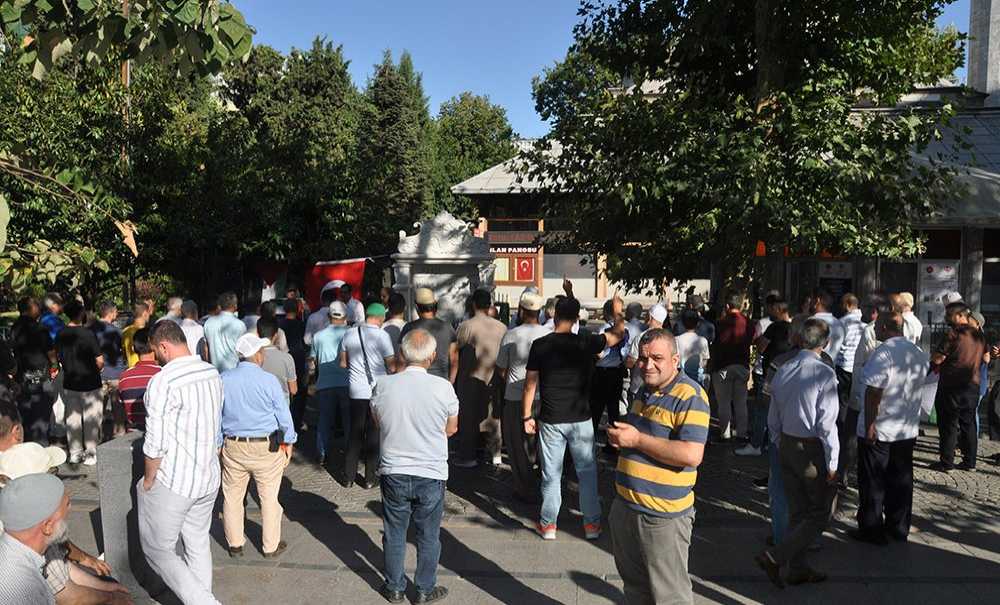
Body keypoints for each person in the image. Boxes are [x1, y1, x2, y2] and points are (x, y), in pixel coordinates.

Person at [607, 329, 709, 605]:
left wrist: (637, 439)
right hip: (627, 509)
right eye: (642, 358)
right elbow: (647, 440)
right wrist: (623, 441)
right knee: (636, 589)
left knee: (670, 596)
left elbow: (691, 454)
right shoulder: (644, 389)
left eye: (657, 358)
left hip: (662, 517)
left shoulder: (691, 395)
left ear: (675, 360)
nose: (647, 364)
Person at [522, 296, 626, 540]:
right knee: (587, 473)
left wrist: (526, 415)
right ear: (577, 318)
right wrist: (618, 313)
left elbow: (530, 385)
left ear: (554, 316)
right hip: (581, 418)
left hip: (551, 417)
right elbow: (618, 334)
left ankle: (548, 525)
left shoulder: (540, 345)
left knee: (551, 473)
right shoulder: (586, 342)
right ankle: (591, 525)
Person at [370, 329, 459, 604]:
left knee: (395, 531)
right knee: (429, 534)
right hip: (430, 471)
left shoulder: (383, 385)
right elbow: (452, 428)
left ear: (401, 354)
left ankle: (395, 587)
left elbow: (378, 422)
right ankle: (424, 588)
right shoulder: (444, 387)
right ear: (432, 356)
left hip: (394, 469)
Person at [139, 320, 224, 605]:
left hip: (175, 480)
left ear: (163, 346)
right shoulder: (212, 372)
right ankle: (202, 597)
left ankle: (205, 602)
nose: (156, 357)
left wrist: (149, 479)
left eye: (155, 351)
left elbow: (155, 442)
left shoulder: (163, 381)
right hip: (208, 476)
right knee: (197, 542)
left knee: (158, 549)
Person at [755, 319, 839, 588]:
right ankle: (776, 557)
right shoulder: (824, 373)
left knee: (799, 511)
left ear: (801, 339)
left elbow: (773, 415)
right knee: (819, 512)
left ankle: (798, 568)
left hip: (787, 444)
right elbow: (827, 423)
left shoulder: (785, 368)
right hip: (810, 446)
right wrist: (833, 460)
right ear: (825, 344)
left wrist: (780, 442)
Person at [0, 440, 131, 604]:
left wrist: (107, 588)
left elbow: (62, 567)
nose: (70, 509)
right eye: (52, 473)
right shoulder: (24, 586)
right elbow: (69, 597)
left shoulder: (23, 531)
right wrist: (112, 597)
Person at [851, 312, 928, 546]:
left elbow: (874, 392)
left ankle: (872, 529)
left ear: (885, 327)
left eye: (876, 326)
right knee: (901, 480)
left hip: (881, 428)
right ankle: (898, 527)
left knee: (873, 480)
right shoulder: (918, 353)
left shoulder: (883, 353)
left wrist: (870, 425)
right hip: (905, 429)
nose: (874, 330)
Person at [219, 333, 297, 559]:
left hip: (233, 445)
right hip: (265, 446)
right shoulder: (269, 380)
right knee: (269, 498)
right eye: (261, 351)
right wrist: (288, 442)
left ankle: (235, 544)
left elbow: (217, 416)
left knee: (232, 497)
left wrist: (218, 444)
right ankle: (270, 545)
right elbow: (284, 416)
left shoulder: (223, 379)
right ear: (256, 355)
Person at [495, 292, 550, 502]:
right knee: (540, 443)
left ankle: (524, 487)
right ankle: (542, 483)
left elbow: (501, 368)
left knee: (517, 445)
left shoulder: (511, 334)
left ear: (521, 310)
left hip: (515, 397)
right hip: (542, 397)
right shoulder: (548, 333)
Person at [339, 303, 396, 488]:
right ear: (379, 318)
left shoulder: (349, 334)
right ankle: (370, 478)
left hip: (356, 390)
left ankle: (348, 477)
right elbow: (392, 366)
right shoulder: (383, 336)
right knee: (373, 434)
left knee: (354, 434)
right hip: (377, 391)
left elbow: (342, 363)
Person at [0, 473, 76, 605]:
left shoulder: (12, 551)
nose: (70, 509)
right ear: (47, 527)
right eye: (67, 505)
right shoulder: (25, 591)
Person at [453, 289, 507, 468]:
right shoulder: (502, 327)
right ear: (489, 305)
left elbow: (456, 349)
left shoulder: (466, 326)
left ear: (474, 304)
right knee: (493, 417)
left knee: (468, 418)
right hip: (494, 378)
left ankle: (468, 457)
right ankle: (496, 454)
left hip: (470, 377)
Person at [930, 303, 987, 472]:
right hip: (972, 385)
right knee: (968, 424)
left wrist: (933, 357)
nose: (946, 318)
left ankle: (946, 463)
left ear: (958, 315)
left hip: (951, 386)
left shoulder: (953, 334)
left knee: (948, 424)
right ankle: (970, 462)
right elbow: (986, 357)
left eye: (949, 315)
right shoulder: (979, 336)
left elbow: (938, 359)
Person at [739, 299, 792, 457]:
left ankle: (756, 443)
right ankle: (773, 443)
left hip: (772, 372)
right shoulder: (795, 328)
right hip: (788, 374)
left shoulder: (773, 327)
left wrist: (756, 355)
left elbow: (760, 347)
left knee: (763, 408)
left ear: (777, 309)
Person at [56, 300, 104, 466]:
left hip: (70, 381)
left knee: (73, 419)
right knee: (91, 419)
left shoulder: (61, 334)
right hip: (90, 382)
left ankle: (75, 453)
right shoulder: (88, 334)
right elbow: (100, 360)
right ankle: (90, 453)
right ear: (81, 313)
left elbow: (59, 357)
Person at [311, 302, 352, 465]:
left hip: (325, 382)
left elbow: (313, 360)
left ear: (329, 316)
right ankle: (350, 452)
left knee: (324, 421)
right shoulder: (352, 334)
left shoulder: (318, 336)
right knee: (348, 421)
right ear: (345, 316)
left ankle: (322, 453)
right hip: (348, 382)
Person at [11, 297, 56, 444]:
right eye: (36, 305)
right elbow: (50, 352)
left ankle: (26, 452)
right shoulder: (39, 328)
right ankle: (41, 453)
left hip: (22, 379)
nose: (39, 308)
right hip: (41, 378)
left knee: (26, 420)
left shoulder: (15, 328)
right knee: (41, 420)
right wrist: (54, 366)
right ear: (30, 309)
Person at [710, 293, 753, 442]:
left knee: (724, 403)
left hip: (723, 366)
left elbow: (714, 343)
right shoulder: (749, 322)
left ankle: (725, 433)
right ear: (741, 306)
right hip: (742, 365)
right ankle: (741, 433)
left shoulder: (719, 323)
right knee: (741, 402)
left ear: (727, 306)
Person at [590, 299, 630, 455]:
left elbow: (600, 353)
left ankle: (589, 442)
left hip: (602, 372)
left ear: (606, 313)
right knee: (613, 409)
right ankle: (614, 444)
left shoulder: (605, 329)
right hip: (617, 371)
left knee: (596, 409)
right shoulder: (624, 330)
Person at [834, 293, 865, 482]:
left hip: (843, 368)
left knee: (842, 409)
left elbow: (836, 347)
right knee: (853, 406)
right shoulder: (864, 325)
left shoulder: (842, 323)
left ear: (847, 304)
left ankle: (843, 436)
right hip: (857, 369)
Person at [400, 288, 459, 383]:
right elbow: (454, 361)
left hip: (414, 382)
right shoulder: (448, 328)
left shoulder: (409, 328)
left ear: (417, 307)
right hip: (441, 381)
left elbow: (401, 360)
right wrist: (450, 383)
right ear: (435, 305)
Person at [92, 301, 127, 437]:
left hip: (98, 375)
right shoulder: (117, 331)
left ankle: (96, 438)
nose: (117, 314)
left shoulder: (91, 330)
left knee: (97, 411)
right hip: (116, 373)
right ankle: (118, 435)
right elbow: (122, 351)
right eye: (116, 311)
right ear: (111, 313)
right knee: (117, 410)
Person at [116, 328, 160, 431]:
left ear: (133, 348)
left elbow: (122, 409)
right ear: (155, 346)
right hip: (156, 432)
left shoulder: (124, 377)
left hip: (131, 434)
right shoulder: (162, 374)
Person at [625, 304, 668, 398]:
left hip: (639, 388)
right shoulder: (670, 339)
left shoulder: (641, 337)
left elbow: (630, 362)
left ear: (650, 317)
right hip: (662, 388)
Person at [279, 297, 309, 431]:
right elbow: (306, 342)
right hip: (298, 358)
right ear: (298, 310)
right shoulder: (302, 325)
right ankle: (297, 421)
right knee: (300, 391)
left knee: (283, 389)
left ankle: (284, 420)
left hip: (283, 358)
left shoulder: (279, 325)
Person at [256, 317, 297, 403]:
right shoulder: (287, 358)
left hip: (259, 406)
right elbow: (293, 389)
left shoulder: (251, 358)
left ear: (258, 334)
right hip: (281, 406)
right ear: (276, 335)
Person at [203, 292, 247, 373]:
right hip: (235, 371)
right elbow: (243, 352)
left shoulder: (208, 323)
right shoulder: (240, 325)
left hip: (215, 372)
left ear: (219, 306)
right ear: (235, 306)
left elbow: (206, 350)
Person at [808, 289, 845, 365]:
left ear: (817, 301)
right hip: (831, 370)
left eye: (811, 299)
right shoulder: (839, 324)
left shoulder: (810, 322)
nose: (809, 302)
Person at [676, 309, 711, 385]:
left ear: (682, 323)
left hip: (681, 379)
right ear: (698, 323)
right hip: (697, 379)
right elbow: (705, 362)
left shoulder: (676, 340)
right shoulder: (703, 341)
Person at [122, 302, 151, 368]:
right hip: (146, 369)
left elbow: (124, 354)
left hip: (132, 370)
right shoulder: (146, 332)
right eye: (149, 313)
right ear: (145, 313)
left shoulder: (125, 331)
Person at [382, 292, 408, 357]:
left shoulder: (381, 328)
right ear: (405, 307)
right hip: (405, 366)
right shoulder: (409, 328)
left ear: (388, 308)